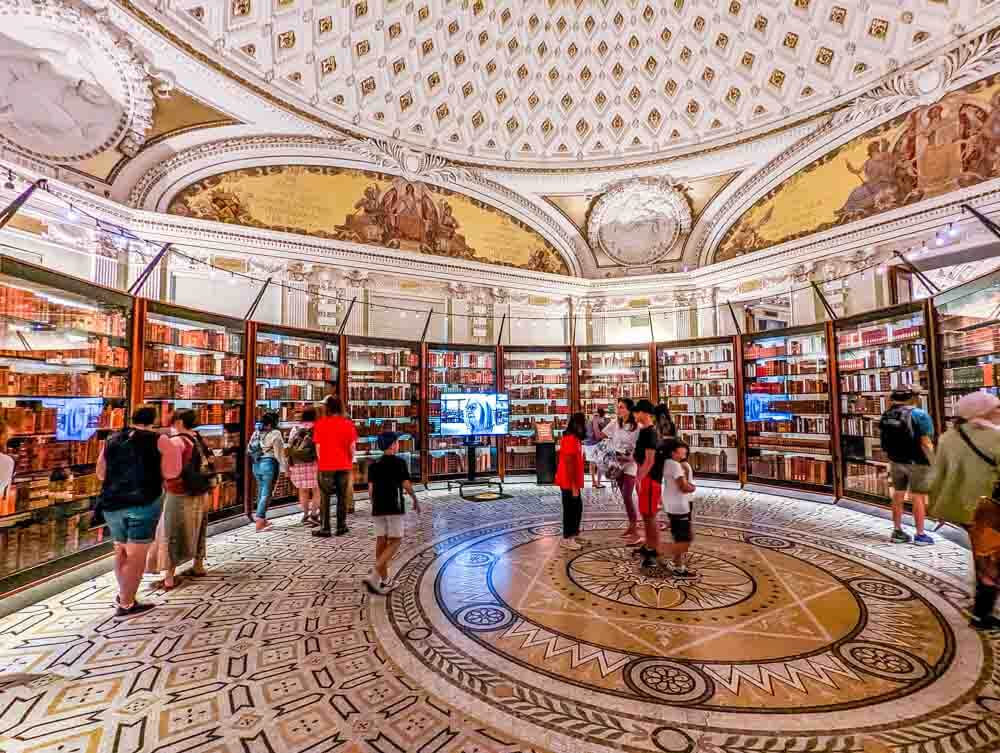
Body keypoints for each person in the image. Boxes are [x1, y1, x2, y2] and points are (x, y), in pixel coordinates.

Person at [96, 405, 181, 617]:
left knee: (121, 550)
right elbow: (172, 472)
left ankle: (125, 593)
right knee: (136, 554)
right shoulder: (159, 440)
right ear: (153, 420)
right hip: (144, 501)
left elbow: (100, 473)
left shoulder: (112, 440)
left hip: (112, 502)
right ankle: (126, 602)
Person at [929, 392, 1000, 630]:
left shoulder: (948, 437)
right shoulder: (994, 437)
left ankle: (983, 608)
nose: (998, 412)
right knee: (990, 559)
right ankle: (982, 613)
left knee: (983, 554)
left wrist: (936, 504)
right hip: (989, 508)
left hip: (961, 507)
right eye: (994, 409)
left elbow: (938, 474)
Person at [146, 410, 212, 589]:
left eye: (173, 421)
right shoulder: (197, 438)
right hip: (200, 490)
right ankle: (198, 565)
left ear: (180, 422)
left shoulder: (177, 442)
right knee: (198, 527)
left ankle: (168, 577)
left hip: (179, 492)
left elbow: (170, 471)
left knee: (172, 531)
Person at [365, 431, 421, 594]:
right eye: (397, 441)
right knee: (396, 540)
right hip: (393, 505)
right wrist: (415, 499)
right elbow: (406, 484)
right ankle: (375, 573)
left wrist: (374, 504)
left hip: (378, 507)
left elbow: (370, 489)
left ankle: (385, 580)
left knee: (381, 540)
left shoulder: (373, 465)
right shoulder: (399, 463)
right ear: (392, 445)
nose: (398, 444)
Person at [879, 388, 935, 545]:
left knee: (898, 494)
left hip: (896, 461)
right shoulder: (920, 415)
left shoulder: (887, 414)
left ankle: (897, 532)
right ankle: (920, 535)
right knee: (918, 497)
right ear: (913, 398)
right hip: (917, 461)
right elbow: (926, 441)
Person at [313, 395, 357, 537]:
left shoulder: (320, 424)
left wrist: (322, 461)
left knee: (325, 497)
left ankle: (325, 528)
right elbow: (352, 447)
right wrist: (349, 461)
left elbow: (318, 448)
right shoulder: (348, 424)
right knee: (342, 496)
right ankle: (341, 526)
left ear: (328, 408)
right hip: (344, 465)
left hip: (326, 465)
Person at [604, 398, 640, 544]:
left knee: (627, 494)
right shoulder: (615, 423)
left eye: (622, 407)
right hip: (617, 463)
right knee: (624, 496)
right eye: (618, 407)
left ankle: (634, 525)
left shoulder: (637, 426)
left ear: (629, 410)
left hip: (630, 463)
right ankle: (632, 525)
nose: (619, 410)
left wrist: (632, 456)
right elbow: (602, 435)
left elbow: (639, 446)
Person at [633, 399, 664, 569]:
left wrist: (640, 478)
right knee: (646, 514)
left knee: (650, 516)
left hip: (650, 479)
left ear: (645, 413)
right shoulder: (646, 431)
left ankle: (655, 549)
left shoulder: (649, 432)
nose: (635, 414)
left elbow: (650, 460)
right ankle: (649, 544)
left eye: (637, 412)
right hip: (647, 478)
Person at [661, 438, 697, 578]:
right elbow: (684, 486)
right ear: (673, 451)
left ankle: (676, 562)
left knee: (680, 535)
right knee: (683, 538)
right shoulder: (675, 465)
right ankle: (677, 565)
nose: (685, 450)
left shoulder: (667, 463)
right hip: (679, 504)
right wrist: (692, 487)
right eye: (681, 448)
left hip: (671, 502)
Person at [248, 413, 286, 533]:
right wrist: (286, 469)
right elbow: (279, 454)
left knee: (261, 491)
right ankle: (259, 521)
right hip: (269, 464)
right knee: (267, 493)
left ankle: (262, 519)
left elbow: (248, 448)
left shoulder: (256, 432)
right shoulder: (276, 433)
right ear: (271, 424)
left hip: (256, 464)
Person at [555, 412, 587, 550]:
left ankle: (574, 533)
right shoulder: (570, 439)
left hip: (573, 481)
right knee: (570, 509)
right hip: (568, 481)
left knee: (577, 507)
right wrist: (574, 486)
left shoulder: (575, 438)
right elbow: (569, 463)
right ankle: (567, 537)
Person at [287, 408, 320, 526]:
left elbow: (290, 445)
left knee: (303, 490)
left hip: (298, 463)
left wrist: (289, 464)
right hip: (314, 463)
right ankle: (314, 514)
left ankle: (305, 514)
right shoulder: (318, 428)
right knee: (317, 489)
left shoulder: (295, 429)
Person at [585, 407, 607, 489]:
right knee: (600, 463)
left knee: (592, 463)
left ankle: (593, 482)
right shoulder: (597, 418)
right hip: (595, 443)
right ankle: (598, 482)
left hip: (588, 443)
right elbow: (597, 431)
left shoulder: (590, 419)